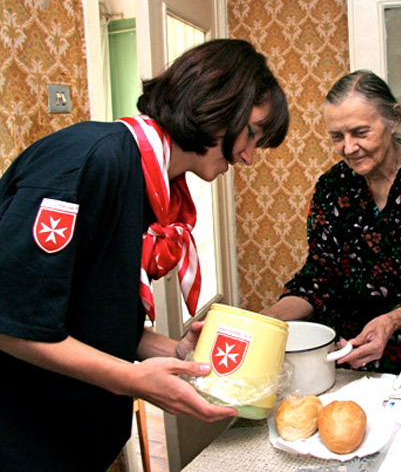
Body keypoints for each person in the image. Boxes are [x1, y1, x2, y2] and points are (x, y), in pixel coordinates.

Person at [0, 39, 289, 471]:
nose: (248, 157)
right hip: (22, 439)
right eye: (251, 133)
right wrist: (135, 380)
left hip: (77, 437)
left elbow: (88, 316)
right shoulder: (90, 161)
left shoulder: (153, 186)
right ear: (214, 106)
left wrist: (172, 353)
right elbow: (12, 323)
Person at [262, 69, 401, 375]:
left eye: (361, 132)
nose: (348, 148)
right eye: (337, 136)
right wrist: (269, 318)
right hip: (352, 351)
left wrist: (393, 320)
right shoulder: (332, 187)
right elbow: (319, 277)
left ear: (393, 119)